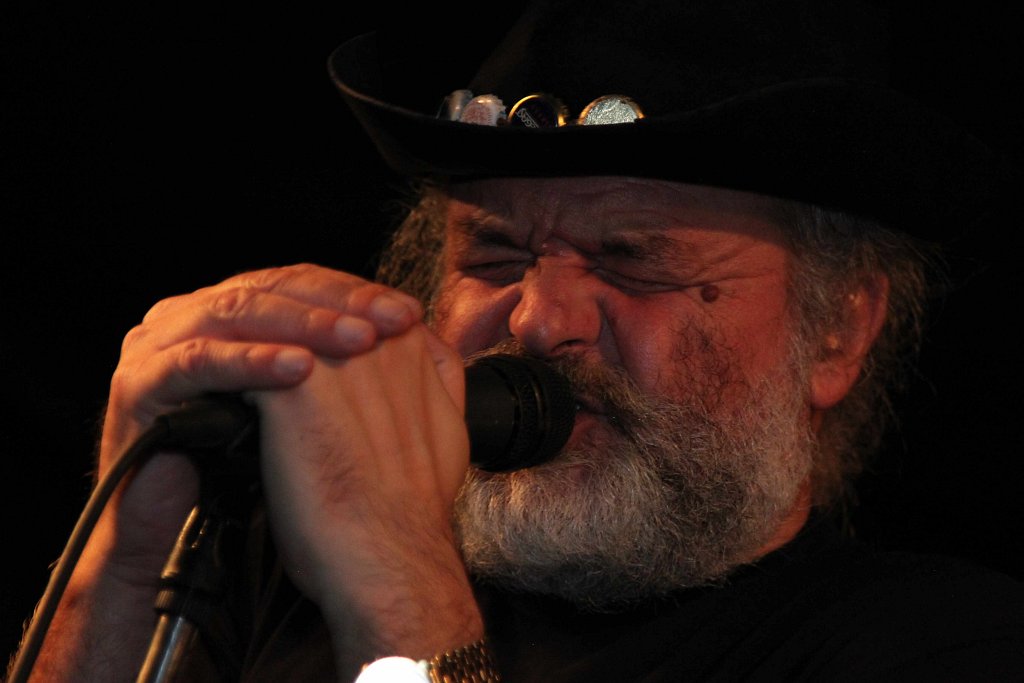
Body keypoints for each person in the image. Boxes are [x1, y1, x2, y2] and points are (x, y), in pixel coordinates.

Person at [10, 0, 1024, 681]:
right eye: (493, 254)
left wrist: (402, 598)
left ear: (839, 327)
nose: (538, 320)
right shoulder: (264, 571)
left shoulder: (941, 643)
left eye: (632, 262)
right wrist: (124, 555)